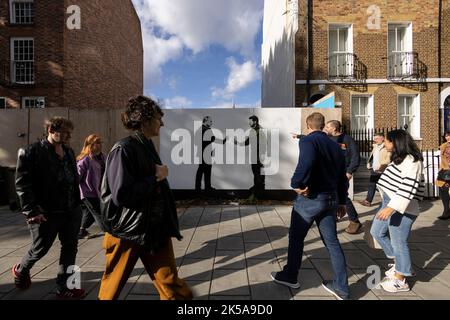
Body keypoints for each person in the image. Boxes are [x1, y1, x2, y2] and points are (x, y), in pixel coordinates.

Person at [98, 95, 192, 300]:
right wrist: (156, 177)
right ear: (145, 119)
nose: (162, 123)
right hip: (127, 232)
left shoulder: (146, 145)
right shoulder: (124, 148)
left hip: (154, 230)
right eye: (159, 118)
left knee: (173, 287)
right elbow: (121, 194)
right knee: (111, 289)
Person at [271, 112, 350, 300]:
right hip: (331, 199)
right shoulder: (335, 145)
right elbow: (342, 176)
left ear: (308, 125)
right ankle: (342, 288)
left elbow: (306, 162)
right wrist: (342, 201)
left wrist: (296, 184)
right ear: (323, 126)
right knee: (332, 243)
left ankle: (290, 275)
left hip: (311, 198)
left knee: (296, 238)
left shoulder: (308, 141)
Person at [13, 116, 85, 299]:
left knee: (70, 247)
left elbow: (72, 179)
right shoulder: (31, 151)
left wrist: (78, 204)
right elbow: (22, 184)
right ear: (51, 131)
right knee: (40, 248)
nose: (69, 136)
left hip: (71, 210)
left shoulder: (68, 151)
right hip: (46, 214)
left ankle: (66, 286)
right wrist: (31, 210)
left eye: (70, 132)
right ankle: (21, 269)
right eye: (65, 132)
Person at [370, 130, 424, 293]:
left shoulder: (412, 160)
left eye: (386, 141)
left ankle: (401, 280)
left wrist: (391, 207)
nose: (383, 144)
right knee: (376, 232)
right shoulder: (400, 159)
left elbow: (408, 186)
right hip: (389, 203)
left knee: (398, 242)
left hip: (402, 207)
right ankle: (401, 264)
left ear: (395, 142)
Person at [324, 120, 362, 234]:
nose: (325, 128)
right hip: (330, 173)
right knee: (331, 195)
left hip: (343, 173)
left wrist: (350, 171)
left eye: (327, 127)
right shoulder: (328, 138)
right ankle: (334, 216)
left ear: (334, 129)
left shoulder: (347, 139)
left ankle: (355, 221)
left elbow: (355, 157)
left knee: (343, 197)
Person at [76, 134, 106, 239]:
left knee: (89, 214)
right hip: (88, 192)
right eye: (97, 143)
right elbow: (77, 177)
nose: (99, 145)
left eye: (100, 142)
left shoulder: (102, 157)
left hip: (98, 191)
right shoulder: (85, 160)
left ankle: (80, 231)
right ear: (90, 145)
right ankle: (109, 233)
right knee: (98, 213)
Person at [234, 115, 266, 200]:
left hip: (258, 157)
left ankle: (258, 194)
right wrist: (238, 143)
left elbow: (263, 145)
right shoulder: (253, 131)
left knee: (258, 175)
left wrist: (260, 158)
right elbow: (247, 142)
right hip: (255, 156)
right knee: (256, 174)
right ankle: (256, 190)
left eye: (250, 121)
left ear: (255, 121)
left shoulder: (259, 131)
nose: (249, 123)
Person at [195, 116, 226, 193]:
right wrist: (222, 141)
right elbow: (212, 139)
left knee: (206, 170)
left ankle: (205, 187)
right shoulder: (205, 129)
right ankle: (202, 188)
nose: (211, 123)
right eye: (210, 121)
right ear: (205, 121)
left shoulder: (202, 129)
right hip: (205, 153)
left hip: (205, 153)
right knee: (202, 170)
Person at [359, 133, 391, 207]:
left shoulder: (386, 147)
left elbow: (388, 159)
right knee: (371, 185)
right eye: (374, 138)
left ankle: (388, 202)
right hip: (374, 169)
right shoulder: (375, 146)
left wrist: (382, 167)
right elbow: (372, 156)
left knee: (384, 186)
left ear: (382, 138)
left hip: (383, 170)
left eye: (376, 138)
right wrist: (369, 163)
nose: (374, 140)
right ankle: (368, 201)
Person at [435, 131, 450, 220]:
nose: (447, 137)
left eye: (449, 135)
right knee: (443, 190)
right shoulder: (444, 145)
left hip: (447, 170)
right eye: (446, 136)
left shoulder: (446, 146)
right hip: (445, 171)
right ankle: (446, 211)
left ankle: (446, 212)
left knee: (444, 190)